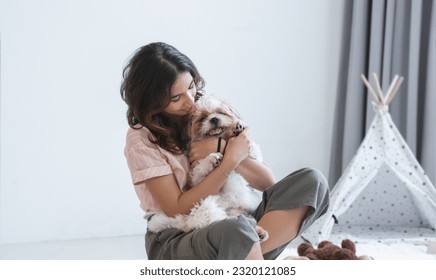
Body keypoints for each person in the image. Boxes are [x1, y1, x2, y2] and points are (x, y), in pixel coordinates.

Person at [120, 42, 329, 260]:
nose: (191, 102)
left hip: (238, 220)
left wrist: (224, 148)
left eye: (191, 87)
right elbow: (176, 209)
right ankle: (248, 255)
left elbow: (268, 184)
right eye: (176, 98)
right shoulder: (141, 139)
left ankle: (245, 255)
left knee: (312, 182)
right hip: (180, 235)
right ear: (152, 101)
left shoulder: (213, 111)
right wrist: (227, 163)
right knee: (236, 230)